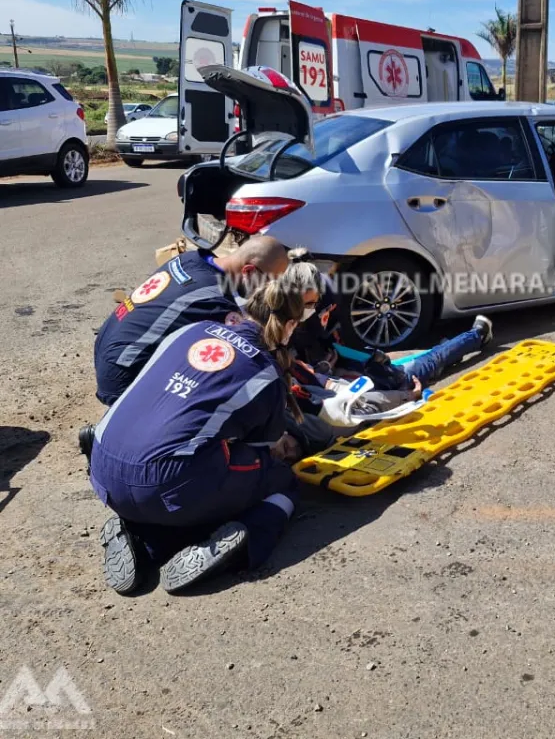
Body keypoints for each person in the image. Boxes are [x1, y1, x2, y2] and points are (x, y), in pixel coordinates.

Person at [89, 262, 323, 595]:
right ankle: (243, 540)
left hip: (103, 463)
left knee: (198, 465)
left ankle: (144, 538)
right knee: (280, 481)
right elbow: (263, 449)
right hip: (161, 484)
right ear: (288, 326)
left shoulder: (191, 331)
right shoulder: (264, 373)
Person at [93, 235, 292, 406]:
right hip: (121, 377)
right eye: (268, 282)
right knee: (220, 376)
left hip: (107, 349)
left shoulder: (190, 259)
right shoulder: (216, 301)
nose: (267, 291)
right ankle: (127, 424)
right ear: (248, 271)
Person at [300, 316, 493, 429]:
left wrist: (325, 366)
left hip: (362, 376)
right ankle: (479, 335)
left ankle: (456, 349)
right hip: (383, 385)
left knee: (425, 361)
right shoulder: (314, 403)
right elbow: (369, 401)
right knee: (432, 359)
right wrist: (408, 396)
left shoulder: (299, 380)